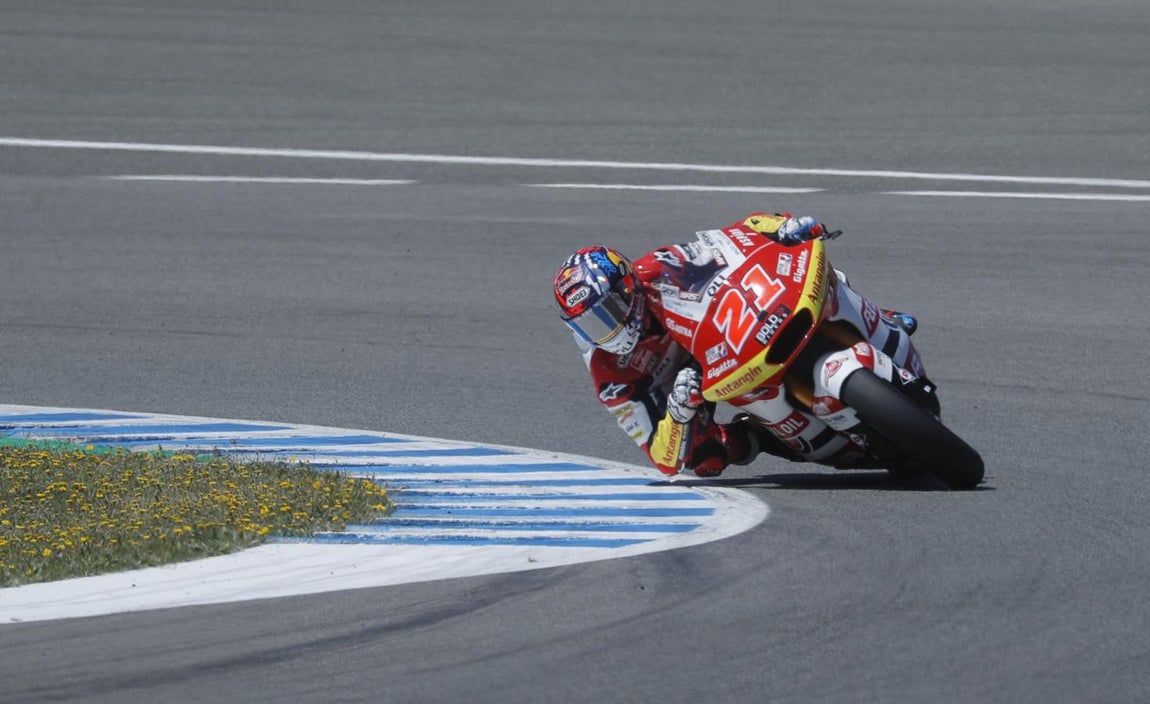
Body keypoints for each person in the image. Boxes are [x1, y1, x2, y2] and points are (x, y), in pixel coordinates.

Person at [553, 212, 920, 478]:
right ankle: (763, 436)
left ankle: (875, 317)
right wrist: (679, 413)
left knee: (826, 274)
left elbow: (735, 237)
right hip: (698, 386)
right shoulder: (609, 373)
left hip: (726, 333)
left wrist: (782, 228)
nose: (605, 331)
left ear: (628, 289)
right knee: (706, 460)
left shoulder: (659, 268)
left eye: (607, 314)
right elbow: (662, 459)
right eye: (587, 325)